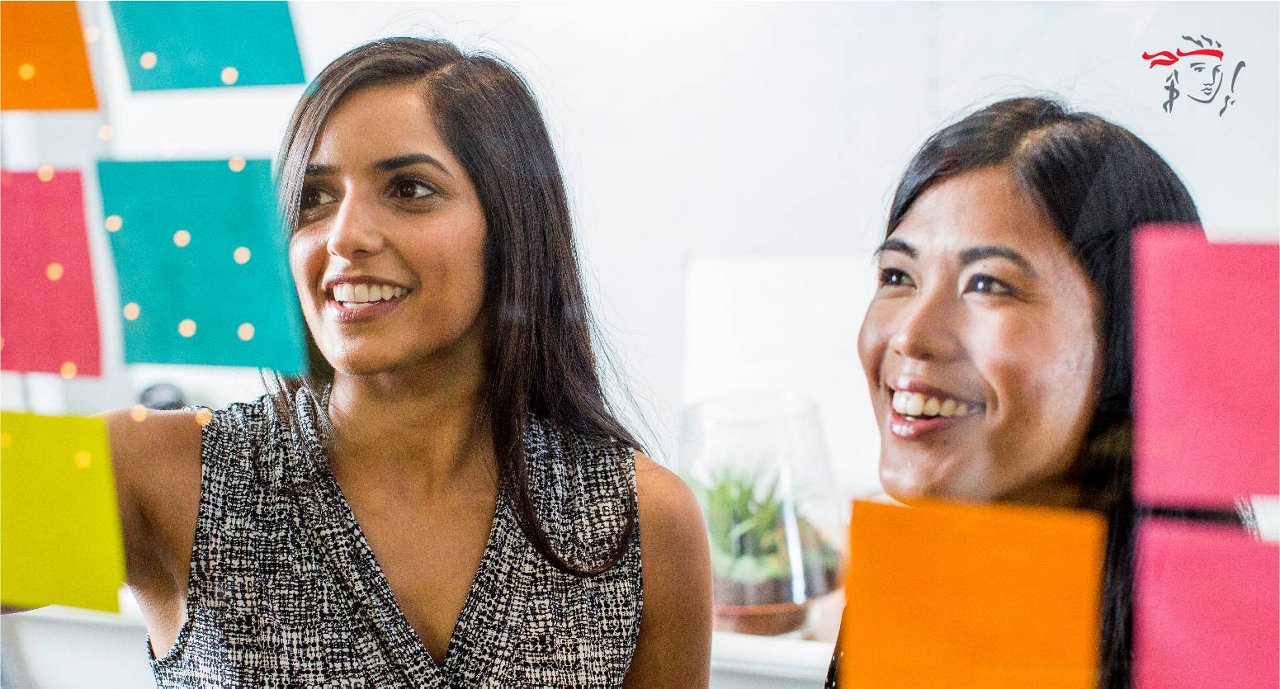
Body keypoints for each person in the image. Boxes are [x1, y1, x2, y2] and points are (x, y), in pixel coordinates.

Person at [102, 37, 712, 687]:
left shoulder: (640, 519)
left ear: (510, 225)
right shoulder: (158, 472)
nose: (344, 236)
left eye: (409, 188)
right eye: (314, 198)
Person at [825, 96, 1202, 688]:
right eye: (897, 276)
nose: (912, 335)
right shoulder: (910, 596)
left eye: (988, 285)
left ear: (1131, 337)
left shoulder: (1220, 651)